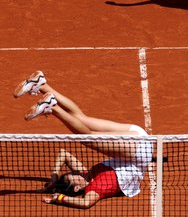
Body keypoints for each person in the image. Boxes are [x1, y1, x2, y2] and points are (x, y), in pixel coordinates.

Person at [13, 71, 153, 209]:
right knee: (86, 134)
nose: (78, 173)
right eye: (76, 177)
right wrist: (60, 198)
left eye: (75, 174)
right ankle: (50, 103)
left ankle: (43, 87)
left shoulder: (87, 175)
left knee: (83, 122)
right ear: (77, 188)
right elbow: (86, 203)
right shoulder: (95, 188)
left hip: (136, 141)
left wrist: (54, 178)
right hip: (139, 151)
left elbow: (64, 154)